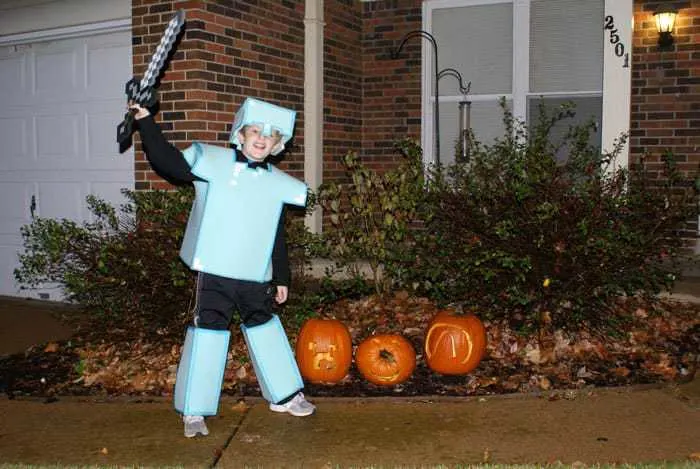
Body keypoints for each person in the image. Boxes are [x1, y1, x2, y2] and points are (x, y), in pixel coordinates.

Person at [129, 96, 315, 438]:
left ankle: (285, 395)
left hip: (254, 275)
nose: (262, 138)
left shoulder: (278, 183)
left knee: (265, 327)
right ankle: (194, 409)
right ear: (240, 134)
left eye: (271, 135)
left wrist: (281, 276)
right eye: (256, 130)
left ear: (278, 145)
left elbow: (275, 233)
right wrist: (145, 122)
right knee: (209, 332)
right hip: (216, 271)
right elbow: (168, 161)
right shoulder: (212, 163)